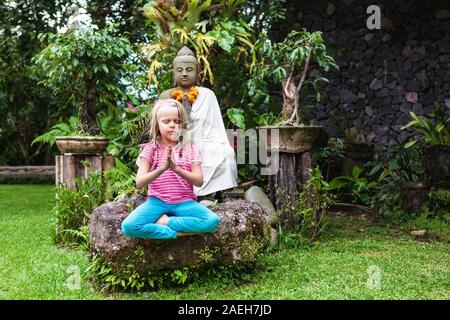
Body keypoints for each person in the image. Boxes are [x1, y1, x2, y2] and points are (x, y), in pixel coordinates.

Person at [121, 99, 220, 239]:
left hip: (184, 202)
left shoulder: (190, 148)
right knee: (129, 226)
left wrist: (176, 169)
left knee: (212, 221)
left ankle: (165, 222)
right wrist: (162, 169)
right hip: (157, 202)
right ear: (157, 125)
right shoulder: (150, 149)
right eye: (166, 121)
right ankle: (171, 233)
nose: (172, 125)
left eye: (177, 121)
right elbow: (140, 182)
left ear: (183, 124)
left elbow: (199, 181)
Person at [159, 46, 238, 201]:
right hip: (175, 139)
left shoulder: (207, 95)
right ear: (174, 73)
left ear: (196, 73)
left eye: (189, 69)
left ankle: (206, 196)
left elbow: (213, 127)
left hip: (203, 138)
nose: (184, 73)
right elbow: (159, 123)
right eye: (180, 70)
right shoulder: (167, 95)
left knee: (223, 153)